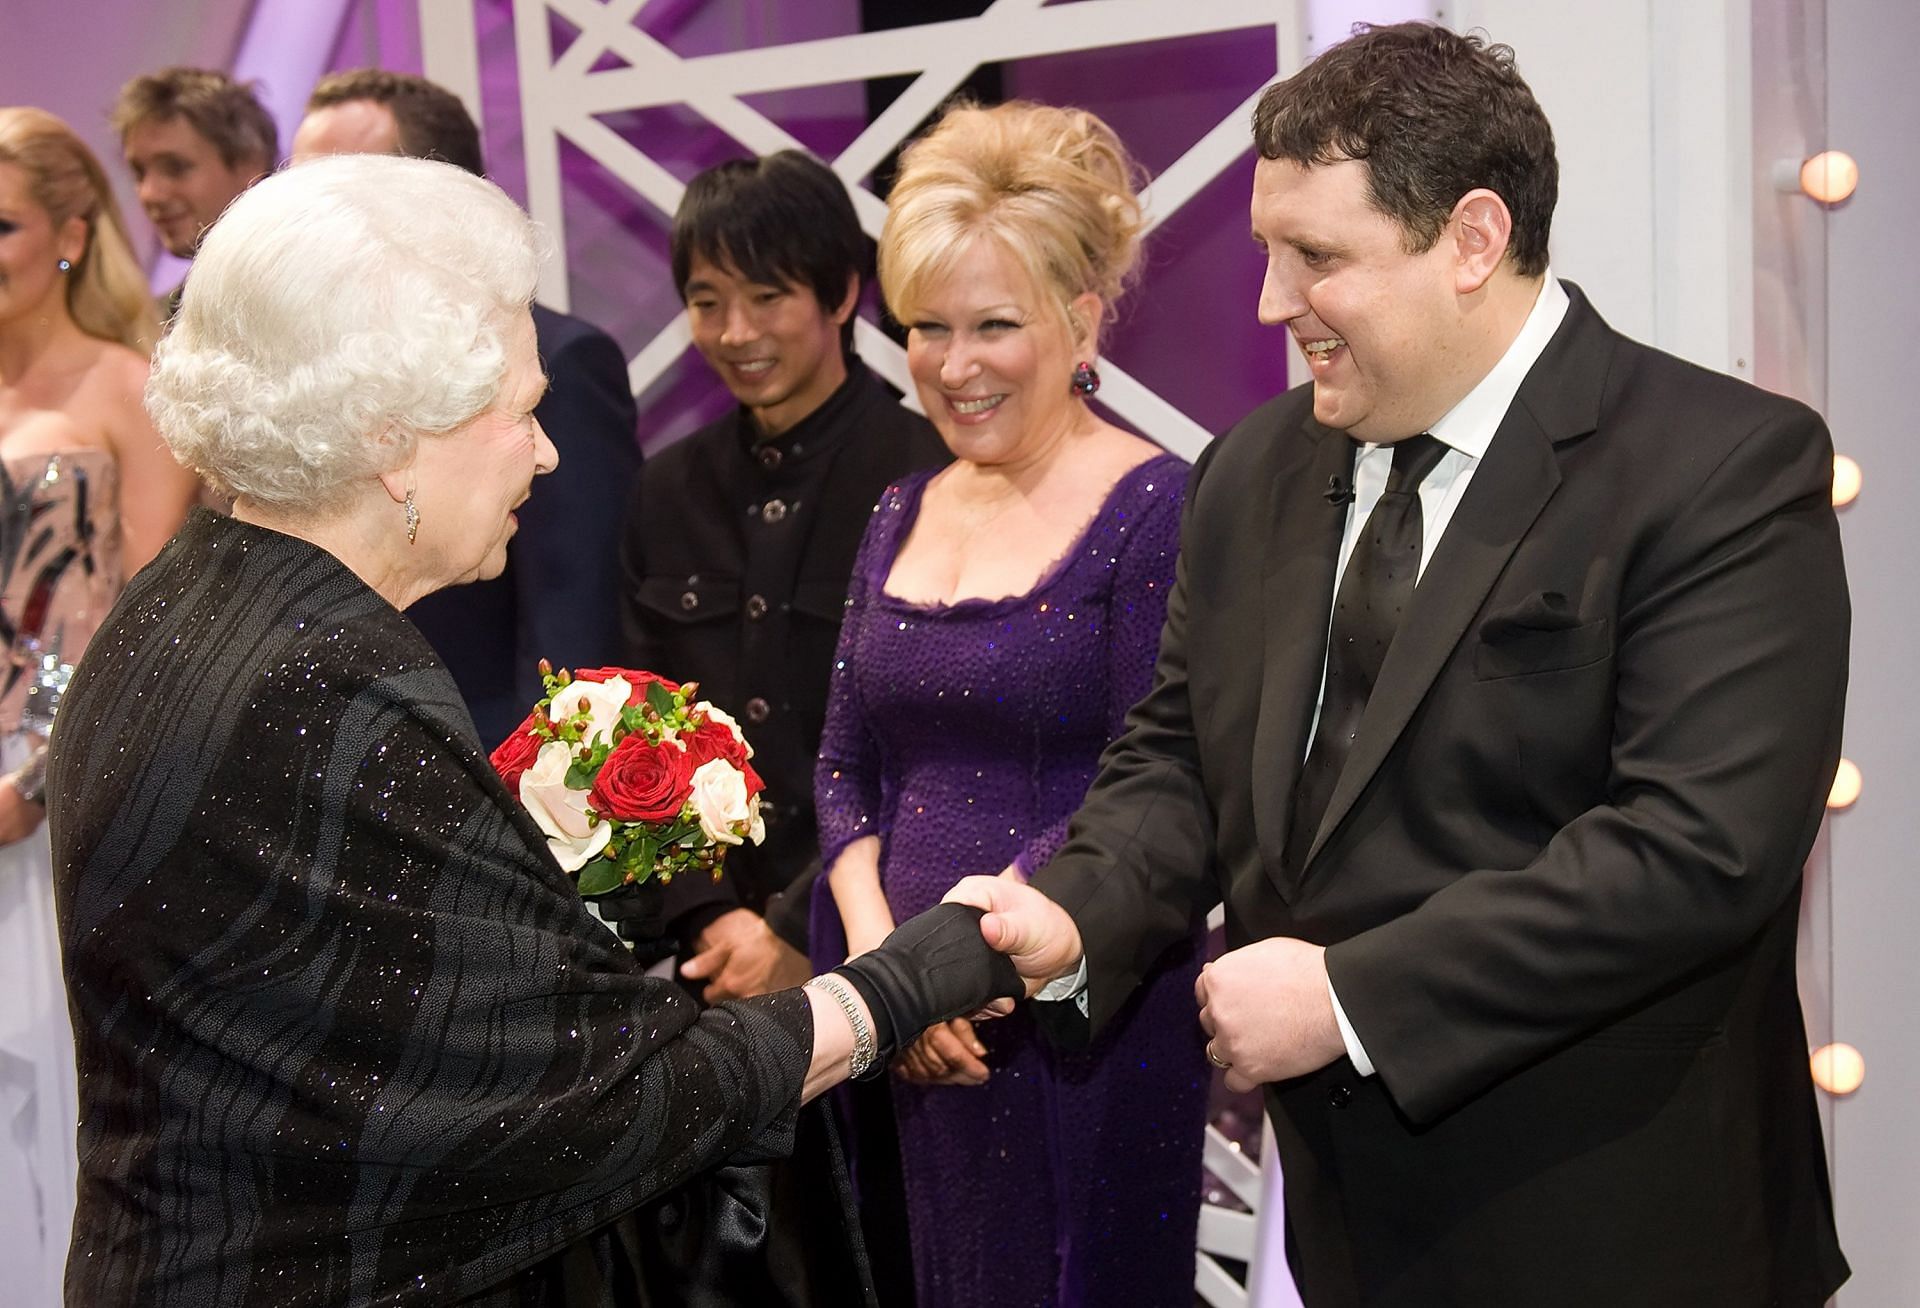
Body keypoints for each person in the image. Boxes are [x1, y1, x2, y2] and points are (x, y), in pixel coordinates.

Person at [952, 23, 1851, 1307]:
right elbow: (1182, 761)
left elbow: (1700, 846)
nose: (1271, 301)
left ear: (1473, 241)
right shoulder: (1252, 470)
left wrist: (1351, 998)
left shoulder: (1720, 467)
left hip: (1627, 1233)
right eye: (1272, 251)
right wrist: (1080, 913)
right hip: (1355, 1239)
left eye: (1316, 257)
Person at [46, 152, 1019, 1307]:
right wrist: (910, 980)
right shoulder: (333, 684)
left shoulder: (181, 599)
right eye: (523, 410)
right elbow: (604, 1101)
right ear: (395, 435)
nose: (550, 452)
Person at [815, 101, 1209, 1307]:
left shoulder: (1159, 507)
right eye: (928, 328)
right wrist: (889, 974)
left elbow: (1152, 782)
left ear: (1081, 318)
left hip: (1072, 1021)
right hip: (893, 1022)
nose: (954, 364)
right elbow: (844, 771)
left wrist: (952, 972)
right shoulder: (899, 508)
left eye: (994, 325)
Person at [619, 147, 945, 1306]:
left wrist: (793, 928)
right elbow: (630, 735)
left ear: (843, 294)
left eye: (766, 295)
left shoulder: (925, 473)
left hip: (879, 955)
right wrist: (710, 920)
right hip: (707, 979)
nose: (734, 330)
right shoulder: (665, 489)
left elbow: (920, 752)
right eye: (707, 300)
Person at [0, 105, 200, 1305]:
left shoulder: (134, 385)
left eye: (3, 222)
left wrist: (30, 777)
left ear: (72, 231)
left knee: (64, 1092)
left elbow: (150, 622)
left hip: (70, 805)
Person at [292, 68, 639, 749]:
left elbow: (572, 638)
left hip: (477, 777)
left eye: (337, 189)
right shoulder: (316, 381)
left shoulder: (560, 364)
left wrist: (529, 807)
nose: (302, 216)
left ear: (440, 196)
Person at [111, 67, 275, 315]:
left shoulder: (304, 300)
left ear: (250, 166)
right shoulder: (153, 323)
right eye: (139, 173)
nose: (149, 194)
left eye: (175, 167)